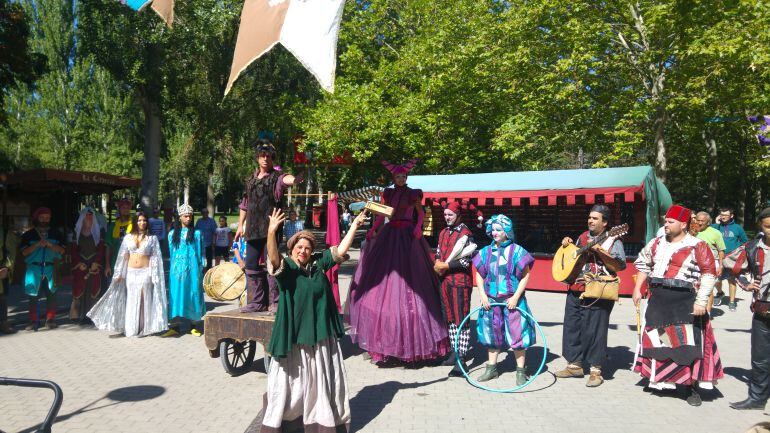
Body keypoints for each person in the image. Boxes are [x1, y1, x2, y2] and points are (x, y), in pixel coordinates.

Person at [260, 208, 365, 433]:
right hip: (294, 337)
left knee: (320, 381)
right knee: (292, 383)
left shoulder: (318, 265)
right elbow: (273, 257)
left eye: (307, 248)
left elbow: (341, 250)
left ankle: (321, 418)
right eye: (299, 247)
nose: (303, 251)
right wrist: (271, 232)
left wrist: (355, 225)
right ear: (293, 249)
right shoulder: (287, 268)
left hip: (319, 334)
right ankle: (289, 421)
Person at [347, 159, 449, 366]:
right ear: (393, 179)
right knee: (383, 285)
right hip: (390, 234)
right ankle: (387, 346)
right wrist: (374, 230)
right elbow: (382, 214)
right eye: (398, 177)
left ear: (406, 178)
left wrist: (418, 227)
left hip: (408, 237)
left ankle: (415, 348)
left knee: (414, 285)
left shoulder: (414, 193)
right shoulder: (389, 193)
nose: (401, 179)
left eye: (403, 176)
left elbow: (420, 212)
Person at [632, 204, 723, 406]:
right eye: (665, 221)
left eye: (670, 221)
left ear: (683, 224)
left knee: (685, 344)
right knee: (659, 341)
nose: (666, 224)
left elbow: (709, 273)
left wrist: (701, 301)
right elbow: (643, 265)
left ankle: (689, 388)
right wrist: (638, 288)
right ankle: (660, 379)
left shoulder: (698, 245)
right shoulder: (656, 243)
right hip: (658, 298)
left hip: (684, 301)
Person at [555, 204, 626, 387]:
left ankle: (596, 371)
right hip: (576, 288)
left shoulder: (614, 239)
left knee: (595, 331)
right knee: (572, 327)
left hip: (597, 291)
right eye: (590, 217)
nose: (590, 220)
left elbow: (618, 266)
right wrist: (567, 246)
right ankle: (574, 365)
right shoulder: (582, 237)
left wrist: (601, 253)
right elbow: (573, 258)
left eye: (595, 218)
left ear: (605, 223)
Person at [234, 139, 301, 314]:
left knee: (272, 264)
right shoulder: (250, 180)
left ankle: (275, 302)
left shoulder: (276, 178)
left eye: (269, 156)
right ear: (257, 158)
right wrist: (240, 226)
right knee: (251, 265)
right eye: (262, 156)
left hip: (271, 228)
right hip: (252, 229)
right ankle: (257, 302)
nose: (265, 159)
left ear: (273, 159)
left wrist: (295, 179)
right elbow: (244, 204)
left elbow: (286, 180)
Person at [471, 214, 536, 384]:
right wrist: (483, 296)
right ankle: (492, 369)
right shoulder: (486, 252)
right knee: (492, 334)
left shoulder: (518, 251)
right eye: (493, 230)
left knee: (517, 334)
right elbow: (479, 274)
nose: (495, 233)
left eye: (498, 230)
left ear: (507, 231)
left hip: (512, 301)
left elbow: (525, 275)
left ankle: (521, 371)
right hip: (491, 301)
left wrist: (515, 297)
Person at [88, 212, 167, 337]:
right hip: (131, 272)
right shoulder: (128, 237)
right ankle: (131, 328)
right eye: (140, 220)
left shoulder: (152, 238)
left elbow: (156, 258)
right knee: (132, 298)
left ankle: (144, 328)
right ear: (135, 222)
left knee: (144, 298)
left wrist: (154, 275)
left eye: (145, 220)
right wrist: (120, 273)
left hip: (145, 272)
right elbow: (123, 257)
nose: (142, 223)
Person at [725, 207, 770, 410]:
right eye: (768, 226)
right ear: (760, 226)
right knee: (760, 358)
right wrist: (745, 283)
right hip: (763, 309)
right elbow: (728, 263)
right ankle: (757, 399)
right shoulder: (752, 247)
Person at [433, 201, 477, 377]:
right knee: (450, 319)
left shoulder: (466, 234)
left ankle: (462, 359)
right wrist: (437, 262)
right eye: (445, 215)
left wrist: (446, 265)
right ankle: (454, 352)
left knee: (461, 319)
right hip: (445, 282)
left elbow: (467, 259)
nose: (447, 218)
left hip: (460, 282)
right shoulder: (443, 232)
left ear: (458, 215)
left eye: (450, 215)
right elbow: (438, 251)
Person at [163, 204, 205, 337]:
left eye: (190, 216)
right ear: (180, 217)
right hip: (177, 271)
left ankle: (194, 326)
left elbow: (200, 253)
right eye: (185, 216)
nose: (188, 218)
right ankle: (174, 327)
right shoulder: (172, 234)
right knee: (176, 295)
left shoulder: (197, 234)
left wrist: (199, 269)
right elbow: (171, 252)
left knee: (192, 294)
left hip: (192, 271)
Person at [21, 207, 66, 331]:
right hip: (33, 269)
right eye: (42, 217)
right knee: (32, 295)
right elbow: (24, 252)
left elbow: (62, 250)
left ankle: (50, 319)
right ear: (36, 218)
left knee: (52, 294)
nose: (45, 220)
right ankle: (33, 321)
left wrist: (51, 245)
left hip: (51, 268)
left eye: (47, 218)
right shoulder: (28, 235)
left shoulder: (56, 233)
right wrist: (37, 245)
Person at [69, 208, 110, 323]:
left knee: (93, 290)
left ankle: (91, 316)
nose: (89, 219)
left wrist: (96, 262)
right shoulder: (76, 233)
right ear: (82, 218)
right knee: (79, 290)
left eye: (91, 216)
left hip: (94, 266)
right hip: (81, 266)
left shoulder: (98, 232)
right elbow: (73, 250)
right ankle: (77, 315)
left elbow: (101, 249)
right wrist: (78, 263)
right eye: (87, 216)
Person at [712, 207, 748, 311]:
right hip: (718, 258)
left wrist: (738, 252)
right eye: (722, 215)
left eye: (726, 215)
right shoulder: (715, 227)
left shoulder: (737, 228)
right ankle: (719, 293)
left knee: (732, 281)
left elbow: (745, 241)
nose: (723, 217)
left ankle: (732, 302)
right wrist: (716, 223)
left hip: (731, 259)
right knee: (716, 280)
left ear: (731, 216)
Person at [695, 211, 726, 305]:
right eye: (698, 220)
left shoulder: (716, 233)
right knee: (696, 287)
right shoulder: (692, 231)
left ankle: (707, 314)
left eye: (702, 221)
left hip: (711, 263)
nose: (700, 223)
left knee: (708, 289)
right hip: (695, 263)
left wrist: (720, 266)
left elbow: (721, 250)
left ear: (708, 222)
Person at [0, 226, 18, 334]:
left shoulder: (5, 233)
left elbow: (11, 253)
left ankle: (3, 323)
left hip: (2, 270)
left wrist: (7, 268)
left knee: (3, 298)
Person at [107, 198, 133, 268]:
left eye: (128, 207)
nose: (126, 210)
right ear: (119, 209)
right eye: (123, 207)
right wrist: (107, 265)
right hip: (115, 261)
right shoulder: (112, 226)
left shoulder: (134, 225)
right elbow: (108, 246)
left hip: (131, 262)